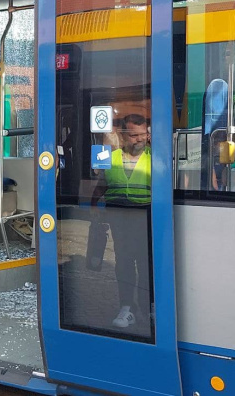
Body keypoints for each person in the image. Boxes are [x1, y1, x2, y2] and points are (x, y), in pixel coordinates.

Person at [91, 113, 151, 329]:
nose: (140, 139)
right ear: (124, 136)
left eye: (143, 134)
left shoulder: (155, 156)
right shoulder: (111, 157)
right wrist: (93, 206)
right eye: (134, 135)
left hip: (146, 215)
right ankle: (127, 308)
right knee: (124, 262)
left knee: (146, 264)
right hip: (119, 216)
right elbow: (101, 184)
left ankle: (147, 307)